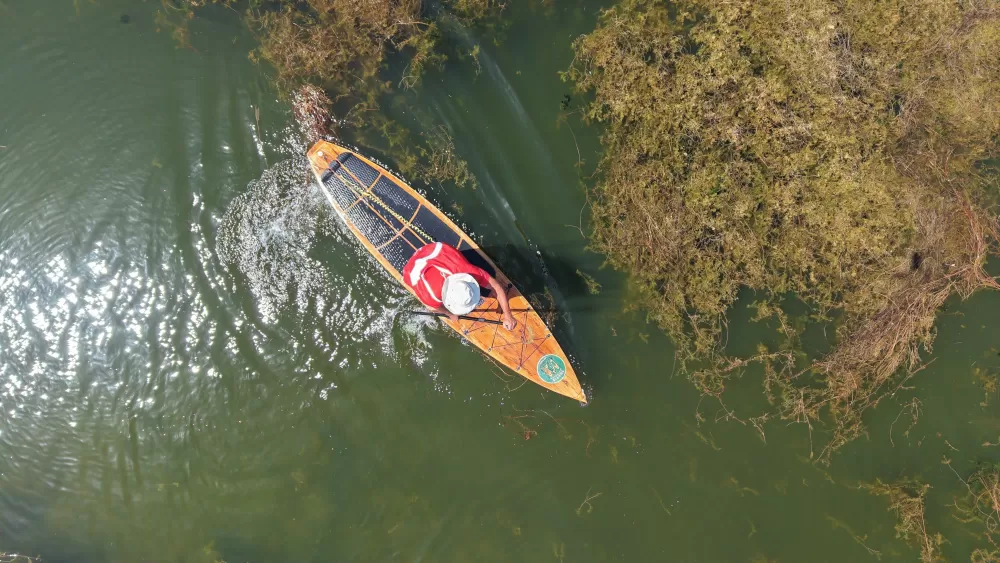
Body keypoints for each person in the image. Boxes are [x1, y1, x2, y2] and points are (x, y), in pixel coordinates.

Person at [402, 242, 517, 331]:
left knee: (485, 276)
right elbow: (435, 307)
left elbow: (497, 286)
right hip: (412, 271)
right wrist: (450, 314)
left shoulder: (468, 270)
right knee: (429, 304)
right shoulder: (431, 296)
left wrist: (508, 314)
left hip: (437, 250)